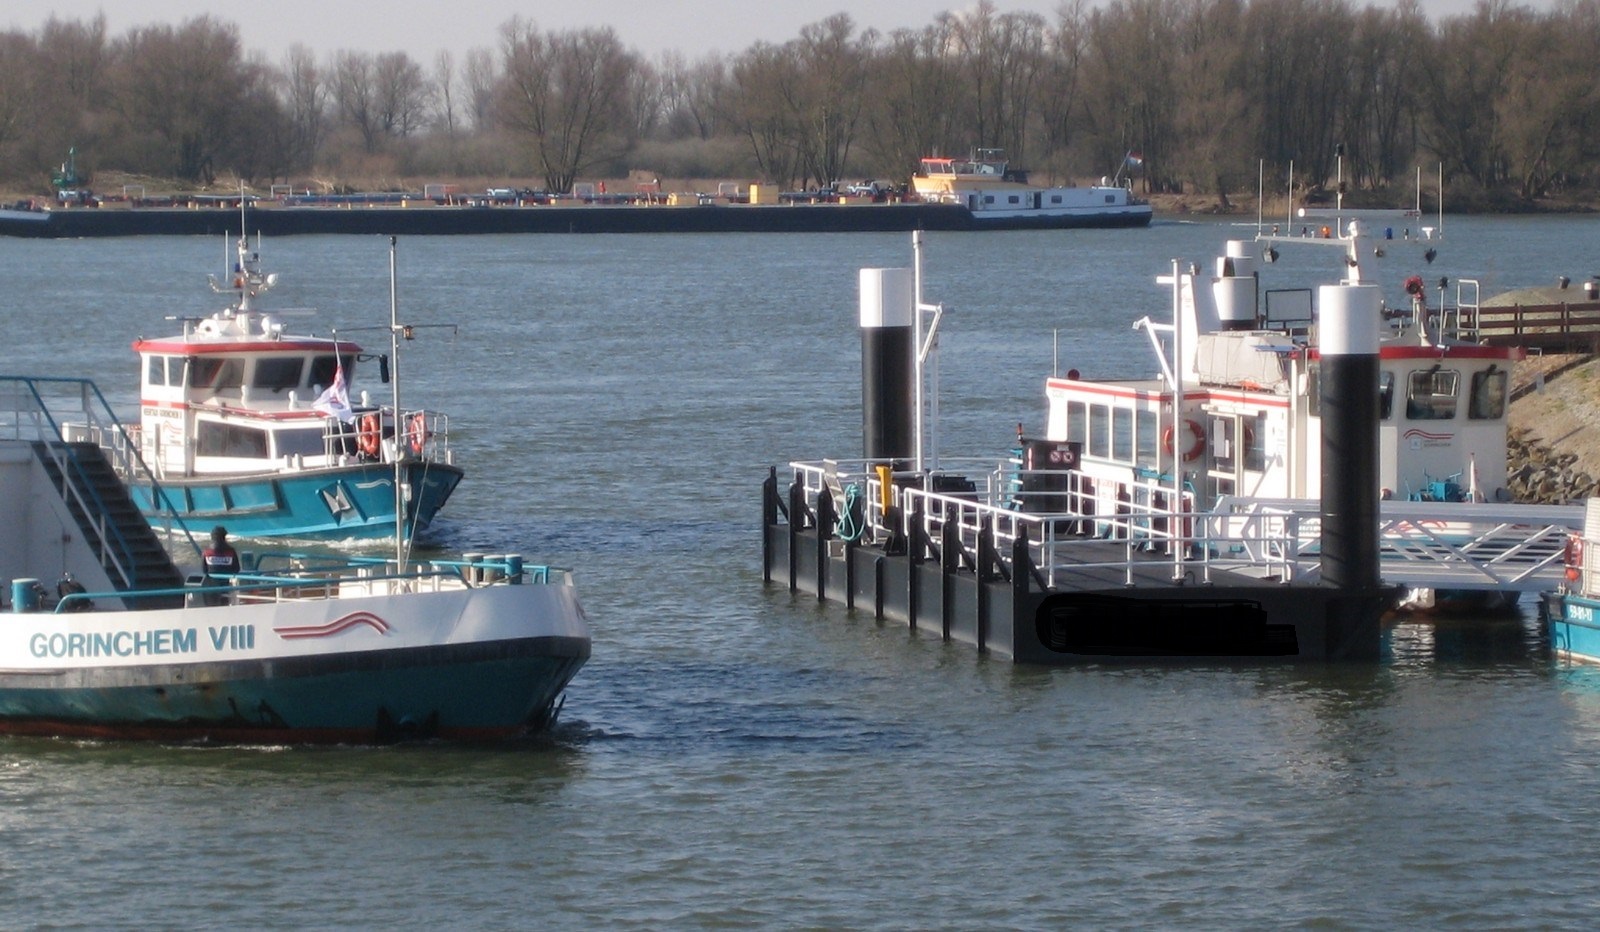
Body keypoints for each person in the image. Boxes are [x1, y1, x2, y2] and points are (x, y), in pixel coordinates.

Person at [202, 526, 240, 605]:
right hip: (226, 585)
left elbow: (204, 570)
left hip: (212, 585)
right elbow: (237, 569)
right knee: (224, 604)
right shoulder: (231, 551)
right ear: (224, 536)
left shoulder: (206, 551)